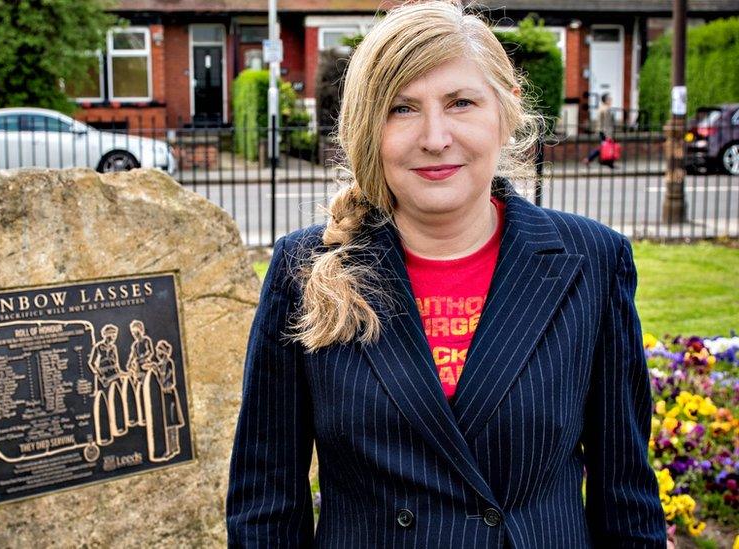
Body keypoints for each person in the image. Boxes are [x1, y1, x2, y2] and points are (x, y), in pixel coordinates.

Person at [226, 2, 666, 547]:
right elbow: (266, 505)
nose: (435, 137)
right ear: (369, 127)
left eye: (461, 102)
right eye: (402, 109)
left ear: (505, 111)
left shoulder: (591, 261)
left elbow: (625, 497)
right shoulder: (306, 269)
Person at [582, 93, 617, 167]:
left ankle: (608, 163)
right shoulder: (606, 109)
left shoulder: (602, 108)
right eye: (610, 99)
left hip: (602, 131)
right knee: (604, 147)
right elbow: (607, 123)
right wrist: (608, 135)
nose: (611, 100)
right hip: (605, 132)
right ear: (606, 100)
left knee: (604, 147)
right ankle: (588, 159)